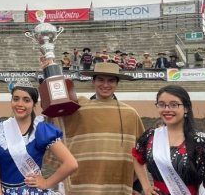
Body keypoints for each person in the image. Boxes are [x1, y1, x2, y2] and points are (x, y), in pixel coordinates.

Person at [43, 61, 145, 194]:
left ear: (117, 83)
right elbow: (54, 116)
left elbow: (139, 152)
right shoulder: (77, 109)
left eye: (111, 81)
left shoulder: (130, 113)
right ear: (93, 81)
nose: (105, 85)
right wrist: (49, 69)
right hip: (82, 183)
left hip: (117, 183)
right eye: (101, 80)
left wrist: (136, 186)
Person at [0, 81, 78, 194]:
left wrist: (47, 183)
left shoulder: (41, 129)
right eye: (16, 99)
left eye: (26, 100)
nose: (20, 104)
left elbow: (71, 163)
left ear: (34, 104)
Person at [132, 85, 205, 195]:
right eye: (162, 105)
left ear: (186, 108)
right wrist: (146, 187)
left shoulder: (201, 141)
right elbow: (137, 157)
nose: (167, 109)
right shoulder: (151, 136)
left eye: (174, 105)